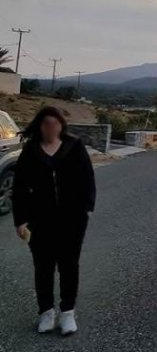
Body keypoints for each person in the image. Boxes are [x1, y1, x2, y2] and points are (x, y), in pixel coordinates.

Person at [11, 106, 96, 336]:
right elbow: (19, 188)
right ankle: (46, 313)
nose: (51, 127)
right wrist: (20, 220)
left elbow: (88, 178)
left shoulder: (74, 146)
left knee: (69, 266)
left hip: (72, 219)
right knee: (43, 268)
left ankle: (67, 313)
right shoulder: (31, 150)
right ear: (40, 125)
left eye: (55, 123)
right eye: (46, 123)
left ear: (61, 124)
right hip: (40, 220)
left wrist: (86, 208)